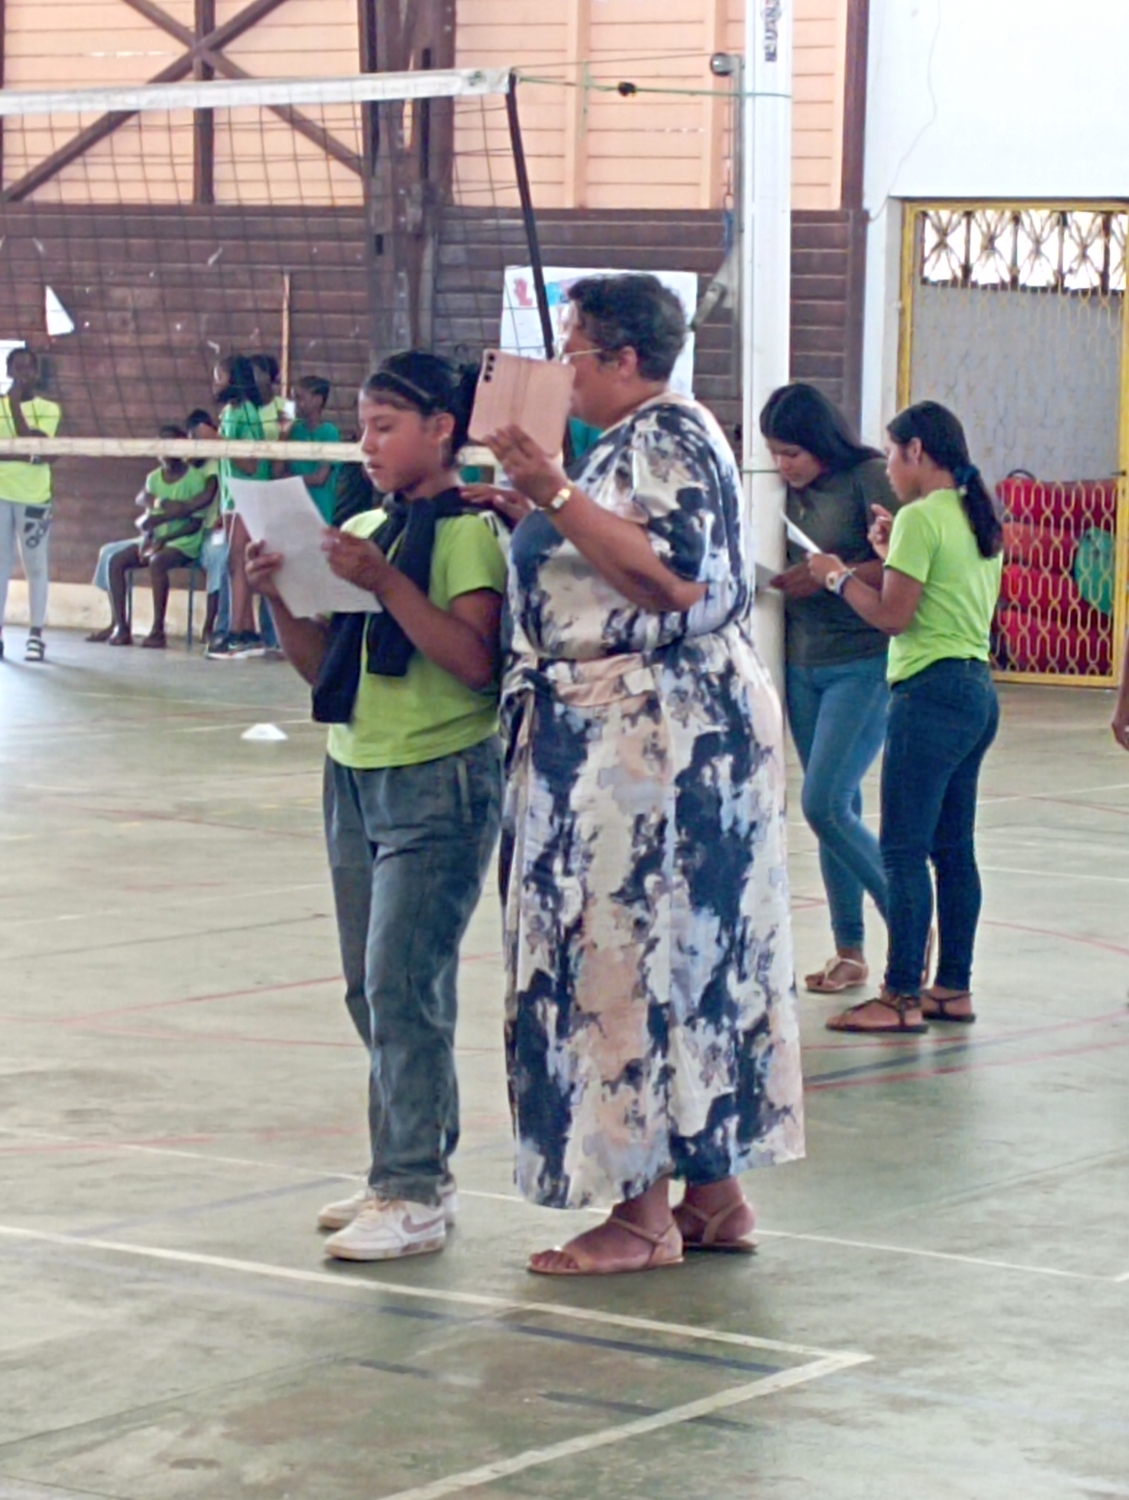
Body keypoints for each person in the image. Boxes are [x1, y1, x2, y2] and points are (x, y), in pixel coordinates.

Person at [481, 273, 804, 1276]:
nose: (561, 371)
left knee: (631, 953)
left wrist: (550, 492)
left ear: (624, 358)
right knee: (697, 958)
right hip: (645, 732)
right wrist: (535, 511)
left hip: (650, 744)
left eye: (572, 349)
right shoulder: (634, 446)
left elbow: (667, 575)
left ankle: (640, 1214)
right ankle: (712, 1193)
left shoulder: (664, 433)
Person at [245, 351, 506, 1262]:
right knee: (368, 985)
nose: (367, 443)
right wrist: (280, 594)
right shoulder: (359, 524)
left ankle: (414, 1190)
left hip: (439, 777)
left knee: (404, 980)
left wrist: (384, 582)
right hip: (354, 769)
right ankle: (401, 1161)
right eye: (363, 426)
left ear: (442, 429)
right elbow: (327, 670)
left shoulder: (469, 536)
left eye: (385, 425)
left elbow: (476, 665)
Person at [807, 401, 1004, 1033]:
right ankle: (953, 987)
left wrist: (837, 578)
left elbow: (894, 617)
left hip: (930, 693)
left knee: (902, 851)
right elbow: (937, 589)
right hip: (975, 691)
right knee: (953, 850)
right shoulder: (977, 517)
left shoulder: (922, 518)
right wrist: (893, 552)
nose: (888, 467)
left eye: (892, 453)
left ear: (917, 451)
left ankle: (898, 997)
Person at [760, 383, 899, 997]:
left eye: (792, 452)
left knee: (824, 801)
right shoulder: (776, 492)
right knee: (837, 811)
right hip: (801, 665)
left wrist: (833, 577)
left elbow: (901, 560)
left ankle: (909, 916)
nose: (783, 465)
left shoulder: (868, 477)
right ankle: (850, 950)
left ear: (820, 442)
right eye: (774, 454)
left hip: (862, 661)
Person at [89, 424, 217, 647]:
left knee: (158, 563)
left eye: (171, 445)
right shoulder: (153, 479)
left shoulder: (195, 478)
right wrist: (148, 540)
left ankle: (157, 631)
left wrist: (163, 539)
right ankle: (121, 626)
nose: (165, 451)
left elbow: (194, 524)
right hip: (156, 538)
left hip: (183, 541)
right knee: (115, 560)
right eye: (161, 445)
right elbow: (149, 517)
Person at [0, 348, 62, 663]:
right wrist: (27, 455)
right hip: (1, 495)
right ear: (9, 370)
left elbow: (38, 448)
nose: (24, 373)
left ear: (36, 373)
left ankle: (35, 634)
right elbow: (31, 453)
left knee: (35, 567)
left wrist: (13, 404)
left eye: (29, 367)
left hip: (34, 497)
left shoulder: (48, 409)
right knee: (0, 566)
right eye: (18, 367)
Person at [206, 356, 269, 659]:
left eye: (219, 377)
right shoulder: (229, 412)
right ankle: (247, 631)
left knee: (237, 562)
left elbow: (250, 462)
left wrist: (217, 441)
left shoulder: (246, 413)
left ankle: (237, 634)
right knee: (235, 564)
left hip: (250, 496)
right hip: (232, 500)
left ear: (233, 380)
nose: (215, 382)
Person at [275, 375, 340, 521]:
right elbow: (277, 472)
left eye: (299, 398)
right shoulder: (294, 430)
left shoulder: (329, 432)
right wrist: (283, 434)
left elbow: (320, 478)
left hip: (318, 510)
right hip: (292, 509)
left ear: (317, 401)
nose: (295, 404)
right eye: (293, 399)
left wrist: (289, 479)